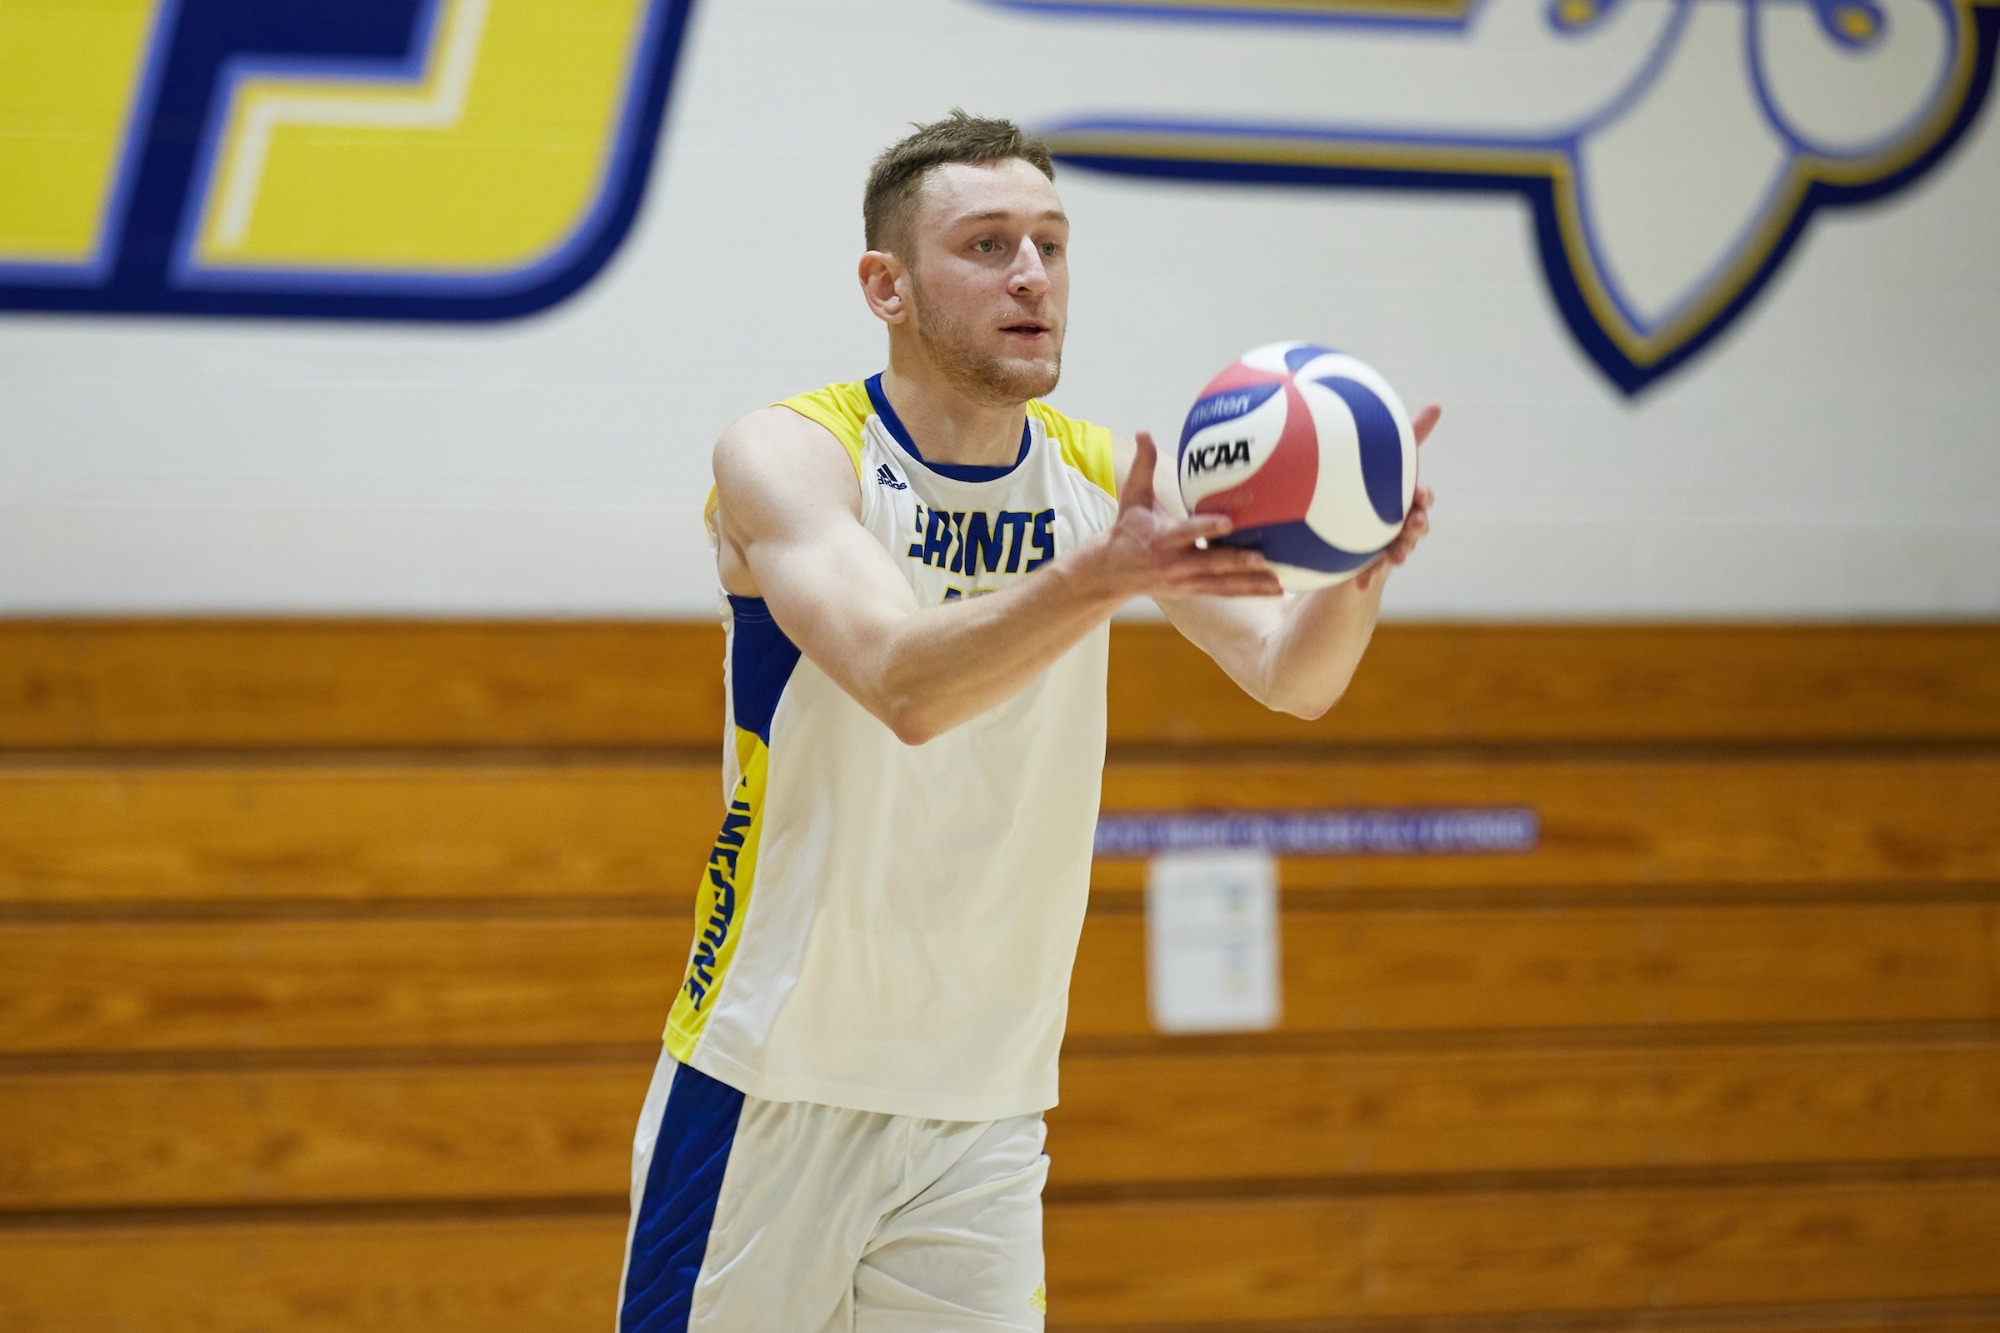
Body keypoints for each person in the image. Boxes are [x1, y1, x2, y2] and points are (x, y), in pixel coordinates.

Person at [616, 110, 1436, 1332]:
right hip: (772, 1079)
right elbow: (904, 685)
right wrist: (1099, 575)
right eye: (987, 244)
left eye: (1051, 243)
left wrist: (1362, 558)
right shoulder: (791, 455)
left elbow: (1290, 678)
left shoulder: (1101, 478)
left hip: (985, 1100)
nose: (1031, 276)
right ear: (883, 285)